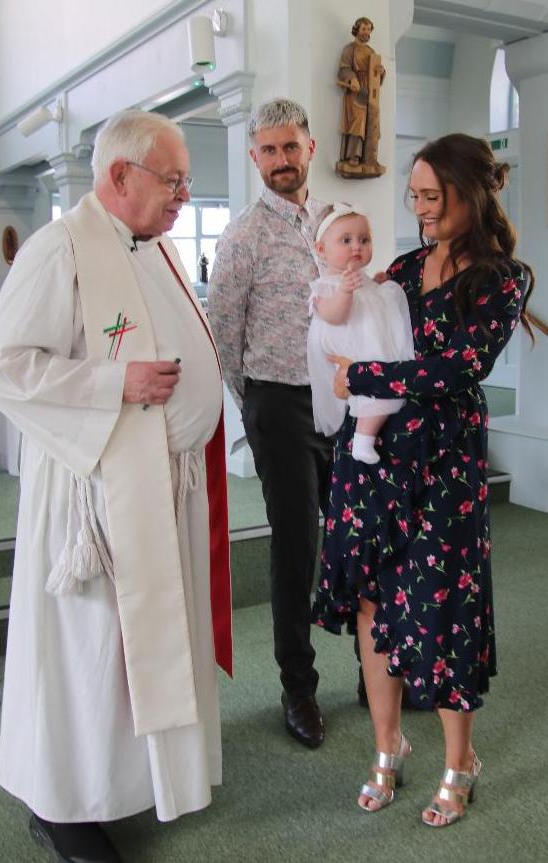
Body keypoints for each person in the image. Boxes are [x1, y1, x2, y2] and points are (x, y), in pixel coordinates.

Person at [0, 109, 232, 863]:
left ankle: (130, 779)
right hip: (95, 498)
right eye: (174, 178)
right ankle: (64, 806)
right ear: (121, 176)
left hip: (162, 484)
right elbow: (2, 365)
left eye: (187, 179)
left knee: (137, 648)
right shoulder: (60, 250)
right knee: (90, 648)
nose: (185, 192)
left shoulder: (149, 245)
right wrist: (114, 381)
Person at [312, 133, 534, 826]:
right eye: (413, 195)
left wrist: (365, 377)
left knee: (438, 609)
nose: (419, 208)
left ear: (471, 194)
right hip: (375, 459)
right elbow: (347, 327)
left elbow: (459, 368)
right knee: (373, 604)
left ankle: (456, 759)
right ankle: (387, 746)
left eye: (431, 196)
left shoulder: (501, 278)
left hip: (444, 464)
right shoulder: (403, 266)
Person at [208, 98, 333, 749]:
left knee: (361, 530)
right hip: (277, 404)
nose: (281, 161)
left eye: (290, 147)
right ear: (253, 157)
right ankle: (298, 686)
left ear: (309, 148)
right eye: (268, 150)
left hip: (341, 401)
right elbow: (222, 335)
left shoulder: (333, 222)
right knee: (295, 545)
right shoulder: (242, 236)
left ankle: (376, 667)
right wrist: (255, 403)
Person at [307, 202, 414, 463]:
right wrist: (345, 292)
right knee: (373, 397)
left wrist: (376, 287)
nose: (357, 246)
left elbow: (374, 309)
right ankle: (363, 441)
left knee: (386, 394)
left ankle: (365, 438)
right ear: (321, 250)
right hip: (351, 349)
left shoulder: (362, 280)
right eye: (346, 240)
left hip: (371, 347)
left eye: (364, 240)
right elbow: (334, 316)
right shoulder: (326, 286)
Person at [336, 17, 385, 177]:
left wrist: (381, 72)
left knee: (372, 123)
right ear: (357, 29)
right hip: (355, 92)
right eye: (363, 29)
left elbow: (376, 77)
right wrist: (352, 79)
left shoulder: (371, 52)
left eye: (369, 29)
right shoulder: (349, 49)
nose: (366, 32)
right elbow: (343, 69)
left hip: (369, 93)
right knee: (358, 122)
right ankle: (353, 156)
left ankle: (369, 157)